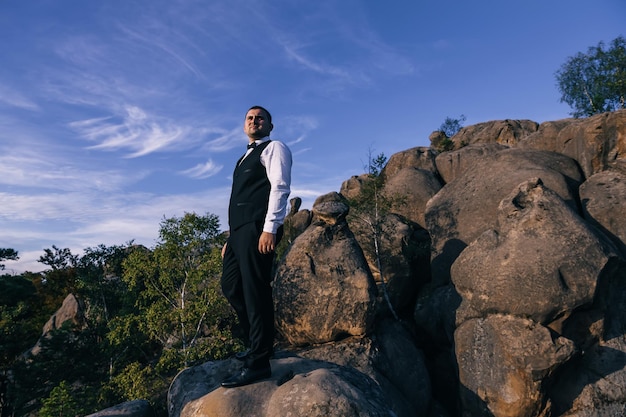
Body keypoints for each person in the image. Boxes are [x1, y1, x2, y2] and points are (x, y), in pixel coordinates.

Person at [220, 105, 292, 388]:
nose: (254, 121)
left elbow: (280, 187)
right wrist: (231, 239)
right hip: (239, 233)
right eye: (249, 118)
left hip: (258, 229)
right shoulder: (242, 158)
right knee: (232, 287)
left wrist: (269, 228)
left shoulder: (274, 148)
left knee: (255, 290)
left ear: (270, 126)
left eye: (260, 118)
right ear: (244, 125)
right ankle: (258, 344)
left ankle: (259, 363)